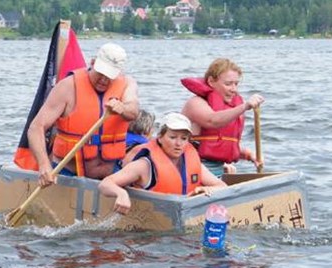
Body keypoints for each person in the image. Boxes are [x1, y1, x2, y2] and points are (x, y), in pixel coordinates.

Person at [28, 43, 140, 187]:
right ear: (93, 63)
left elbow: (133, 110)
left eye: (109, 76)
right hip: (69, 173)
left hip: (110, 177)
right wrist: (44, 165)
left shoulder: (128, 84)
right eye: (101, 73)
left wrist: (122, 108)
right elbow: (36, 127)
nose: (104, 80)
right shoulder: (67, 87)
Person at [98, 113, 227, 215]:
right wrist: (121, 194)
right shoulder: (144, 165)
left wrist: (206, 190)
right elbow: (105, 184)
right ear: (160, 137)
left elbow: (222, 186)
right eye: (172, 137)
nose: (178, 144)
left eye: (183, 138)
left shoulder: (192, 162)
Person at [181, 58, 265, 177]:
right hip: (192, 171)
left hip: (216, 171)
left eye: (236, 84)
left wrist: (248, 154)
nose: (234, 89)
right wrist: (245, 106)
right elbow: (212, 121)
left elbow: (220, 142)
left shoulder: (228, 110)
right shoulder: (195, 103)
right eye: (228, 84)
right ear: (211, 81)